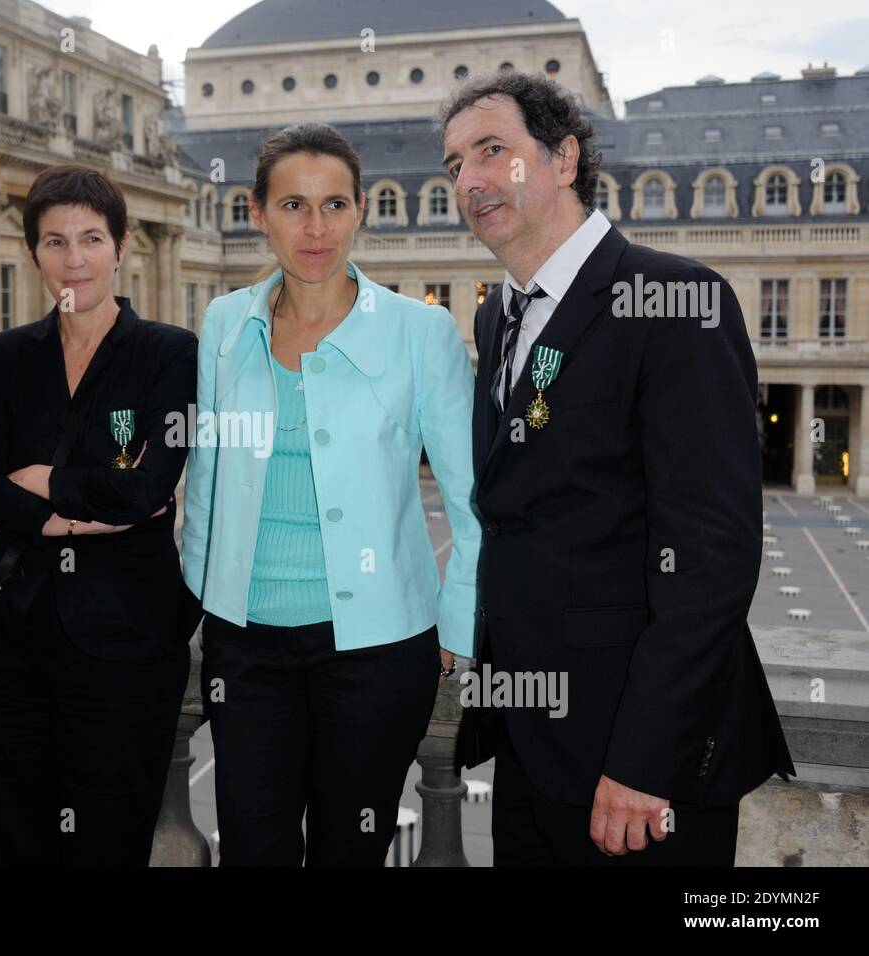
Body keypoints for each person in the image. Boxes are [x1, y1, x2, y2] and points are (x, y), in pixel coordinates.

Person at [441, 72, 795, 865]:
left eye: (493, 151)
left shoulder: (676, 302)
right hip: (530, 747)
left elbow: (712, 558)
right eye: (455, 163)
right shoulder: (499, 313)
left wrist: (643, 762)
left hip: (637, 769)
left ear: (564, 159)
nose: (469, 180)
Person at [181, 122, 480, 866]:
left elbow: (471, 496)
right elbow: (208, 479)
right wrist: (201, 599)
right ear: (257, 212)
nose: (316, 228)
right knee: (254, 847)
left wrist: (455, 629)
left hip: (378, 650)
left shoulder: (421, 331)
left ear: (360, 211)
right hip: (245, 644)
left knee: (352, 849)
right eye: (292, 206)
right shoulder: (224, 323)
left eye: (335, 205)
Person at [0, 164, 197, 866]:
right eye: (55, 241)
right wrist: (71, 516)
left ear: (122, 249)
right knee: (12, 835)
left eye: (92, 238)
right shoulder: (8, 356)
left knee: (110, 838)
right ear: (33, 254)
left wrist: (40, 485)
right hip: (18, 640)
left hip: (129, 640)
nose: (74, 258)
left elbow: (148, 489)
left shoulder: (169, 353)